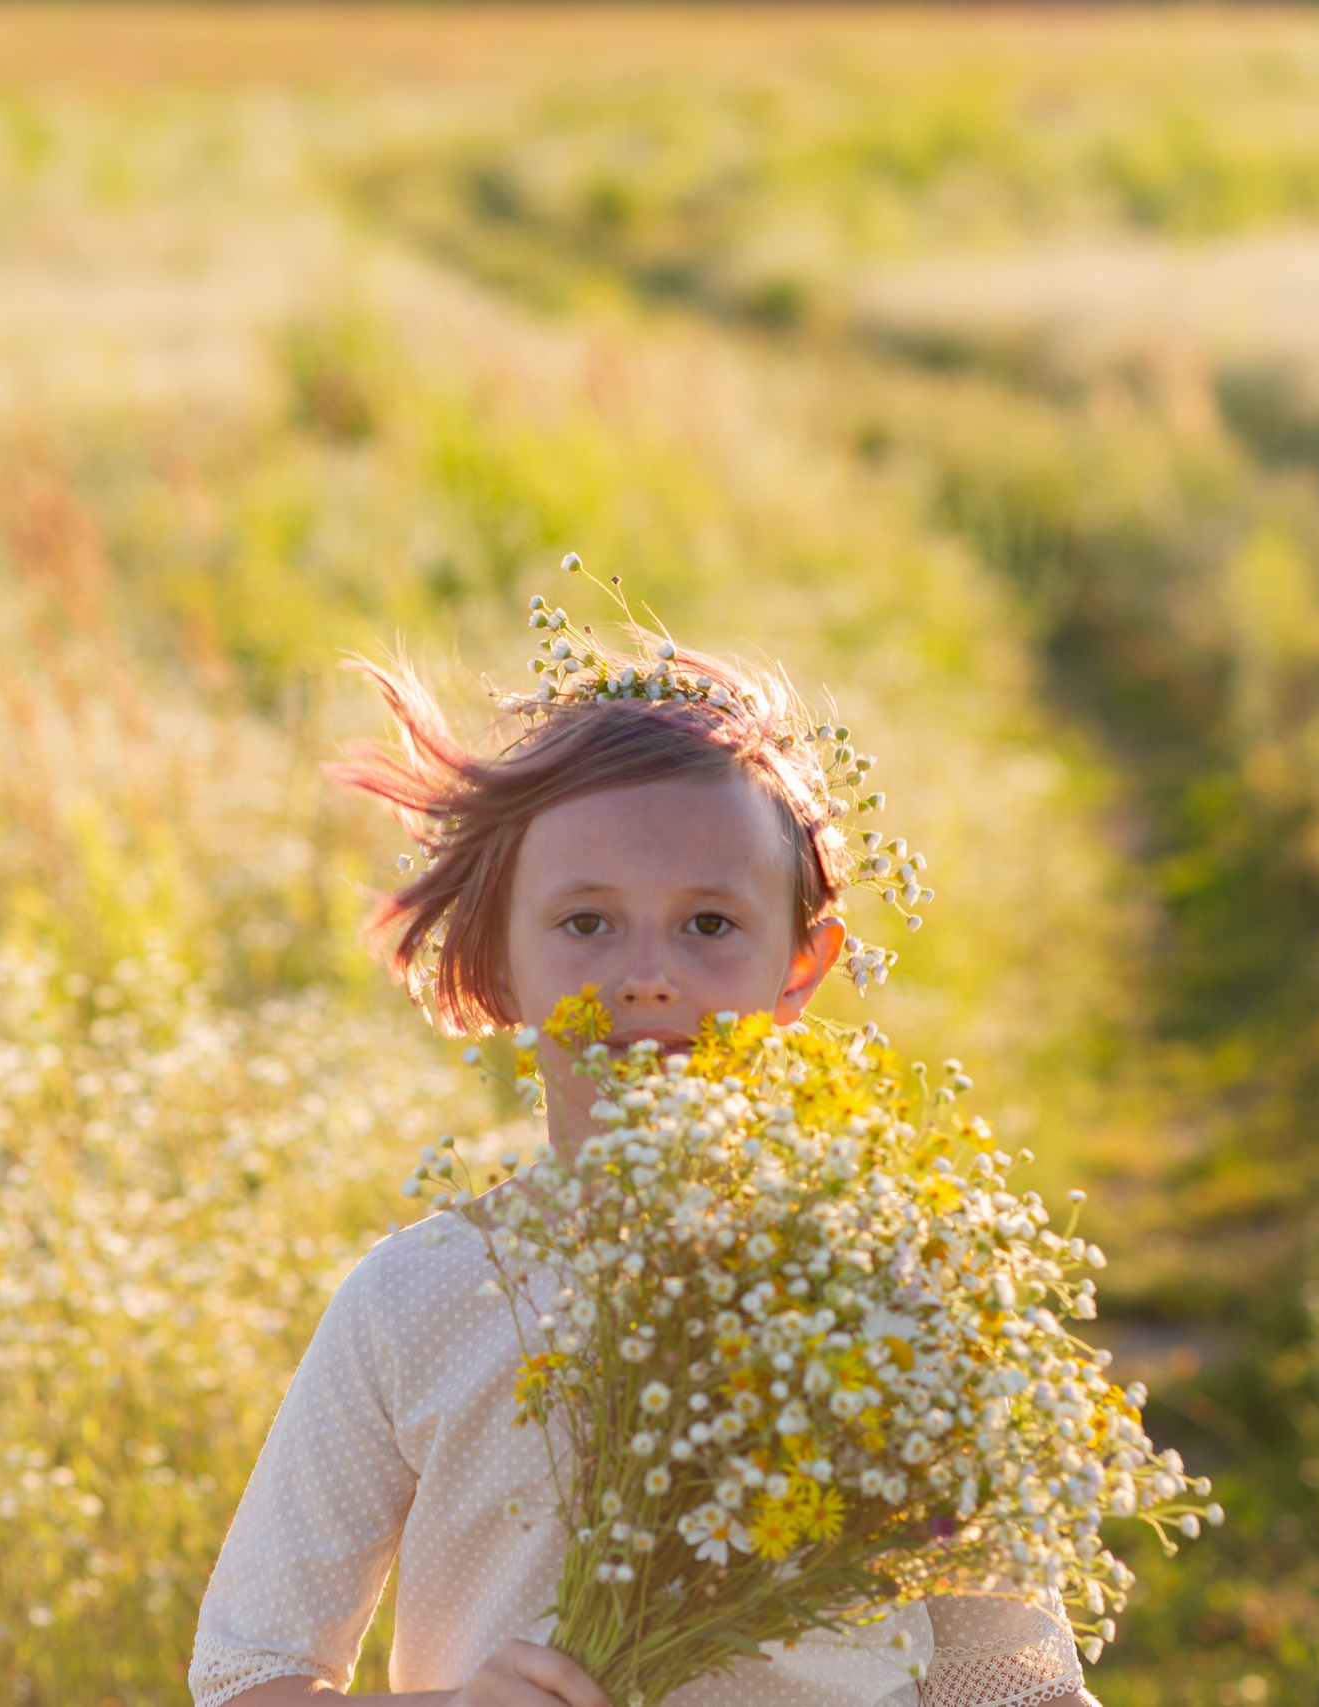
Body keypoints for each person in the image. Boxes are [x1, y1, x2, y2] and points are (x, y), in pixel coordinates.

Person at [189, 591, 1090, 1707]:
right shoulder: (412, 1305)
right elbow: (248, 1673)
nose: (646, 974)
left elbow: (1014, 1686)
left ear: (800, 966)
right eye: (586, 924)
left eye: (710, 924)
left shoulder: (899, 1294)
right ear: (500, 960)